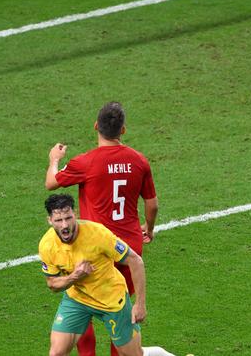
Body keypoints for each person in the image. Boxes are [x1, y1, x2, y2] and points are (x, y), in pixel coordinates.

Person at [46, 101, 159, 356]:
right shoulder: (139, 161)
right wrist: (148, 228)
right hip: (129, 248)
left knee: (82, 299)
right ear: (123, 130)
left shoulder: (85, 162)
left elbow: (51, 182)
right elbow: (152, 205)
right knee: (120, 308)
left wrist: (54, 160)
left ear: (96, 126)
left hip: (94, 248)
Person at [39, 194, 174, 356]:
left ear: (75, 214)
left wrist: (140, 303)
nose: (65, 225)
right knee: (56, 353)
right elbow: (52, 284)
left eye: (68, 218)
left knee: (132, 354)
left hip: (111, 300)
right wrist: (74, 277)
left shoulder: (98, 235)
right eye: (58, 220)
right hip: (78, 299)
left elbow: (135, 260)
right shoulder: (47, 245)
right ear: (49, 220)